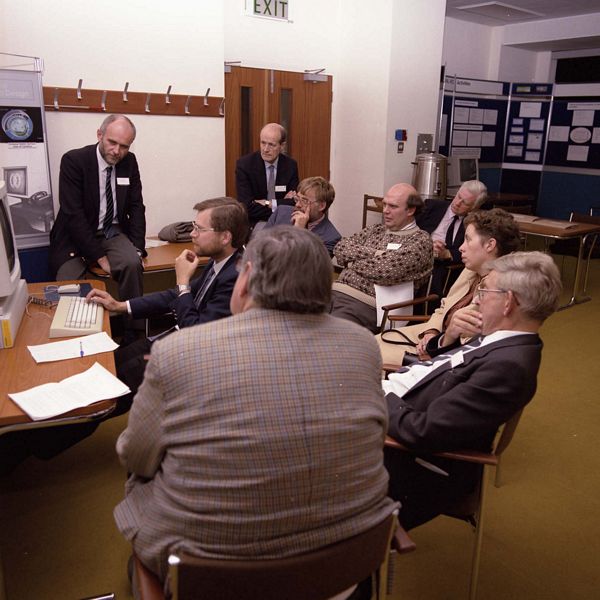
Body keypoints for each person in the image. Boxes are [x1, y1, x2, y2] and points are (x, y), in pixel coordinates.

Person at [113, 226, 397, 595]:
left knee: (141, 481)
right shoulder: (362, 344)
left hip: (213, 569)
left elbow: (136, 457)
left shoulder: (179, 352)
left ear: (244, 280)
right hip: (347, 559)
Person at [383, 251, 562, 530]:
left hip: (410, 465)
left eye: (484, 291)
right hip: (401, 405)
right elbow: (449, 369)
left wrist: (378, 398)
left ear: (508, 302)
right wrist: (450, 337)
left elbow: (424, 431)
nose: (477, 299)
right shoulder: (501, 340)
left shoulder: (508, 369)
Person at [87, 197, 248, 407]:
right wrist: (121, 305)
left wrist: (182, 281)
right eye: (193, 227)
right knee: (113, 359)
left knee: (110, 388)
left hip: (189, 356)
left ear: (225, 237)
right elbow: (174, 296)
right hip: (171, 340)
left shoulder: (236, 276)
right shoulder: (220, 261)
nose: (192, 234)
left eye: (199, 229)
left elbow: (196, 333)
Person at [376, 208, 521, 367]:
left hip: (447, 354)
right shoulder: (472, 270)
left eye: (467, 239)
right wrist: (431, 331)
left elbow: (466, 343)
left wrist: (436, 344)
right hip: (433, 335)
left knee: (368, 356)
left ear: (490, 245)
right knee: (370, 343)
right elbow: (444, 307)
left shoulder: (498, 290)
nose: (461, 247)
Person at [49, 114, 146, 303]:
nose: (117, 151)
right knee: (69, 283)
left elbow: (136, 207)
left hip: (110, 232)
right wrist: (101, 258)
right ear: (99, 135)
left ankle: (133, 329)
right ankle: (80, 331)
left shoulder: (129, 162)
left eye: (124, 146)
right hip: (74, 236)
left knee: (133, 264)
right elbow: (73, 215)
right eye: (112, 142)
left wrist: (137, 249)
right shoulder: (74, 161)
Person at [331, 183, 433, 333]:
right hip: (333, 292)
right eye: (384, 204)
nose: (385, 211)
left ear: (411, 210)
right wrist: (377, 254)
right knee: (294, 321)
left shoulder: (420, 241)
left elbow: (385, 272)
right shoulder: (377, 229)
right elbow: (340, 248)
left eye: (393, 206)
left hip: (367, 305)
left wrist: (351, 262)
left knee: (326, 336)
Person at [416, 180, 487, 306]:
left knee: (437, 276)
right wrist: (427, 245)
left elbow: (476, 253)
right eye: (458, 196)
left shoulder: (474, 223)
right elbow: (411, 231)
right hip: (419, 255)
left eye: (464, 203)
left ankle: (427, 316)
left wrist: (447, 253)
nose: (457, 203)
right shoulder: (431, 207)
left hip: (445, 267)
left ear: (473, 207)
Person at [235, 122, 299, 227]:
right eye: (263, 143)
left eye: (271, 145)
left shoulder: (290, 165)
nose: (265, 149)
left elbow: (294, 202)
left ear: (282, 146)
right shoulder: (245, 165)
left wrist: (268, 203)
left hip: (284, 222)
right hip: (256, 223)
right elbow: (246, 207)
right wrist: (281, 204)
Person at [265, 176, 341, 255]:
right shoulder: (281, 212)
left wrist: (299, 231)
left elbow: (304, 265)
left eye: (304, 201)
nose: (297, 204)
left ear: (321, 206)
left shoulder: (331, 238)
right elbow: (260, 245)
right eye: (297, 199)